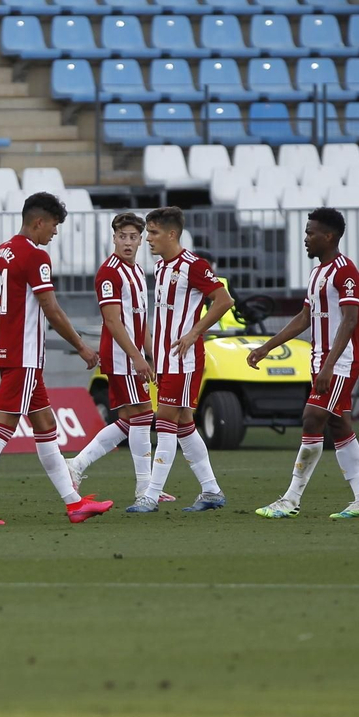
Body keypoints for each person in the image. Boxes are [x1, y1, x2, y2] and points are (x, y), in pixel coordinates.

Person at [0, 192, 113, 526]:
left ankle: (74, 504)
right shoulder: (35, 255)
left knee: (46, 426)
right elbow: (50, 308)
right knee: (2, 427)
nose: (55, 232)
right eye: (53, 225)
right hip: (24, 357)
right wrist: (81, 346)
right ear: (39, 222)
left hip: (12, 356)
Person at [250, 208, 359, 520]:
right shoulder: (317, 273)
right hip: (320, 360)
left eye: (311, 233)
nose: (305, 238)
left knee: (312, 418)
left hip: (340, 362)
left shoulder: (346, 272)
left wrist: (329, 366)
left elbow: (350, 320)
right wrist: (267, 346)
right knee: (339, 424)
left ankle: (291, 499)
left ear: (328, 236)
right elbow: (304, 317)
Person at [126, 207, 234, 514]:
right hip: (165, 359)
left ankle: (150, 495)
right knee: (184, 424)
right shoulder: (161, 267)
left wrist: (194, 332)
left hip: (183, 360)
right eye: (148, 232)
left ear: (172, 234)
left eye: (154, 232)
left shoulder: (193, 265)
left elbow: (224, 300)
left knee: (165, 421)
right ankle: (211, 490)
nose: (148, 239)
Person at [65, 212, 163, 500]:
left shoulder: (137, 271)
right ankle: (145, 488)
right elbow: (112, 321)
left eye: (133, 237)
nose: (127, 243)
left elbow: (140, 319)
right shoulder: (109, 273)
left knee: (129, 420)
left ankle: (76, 465)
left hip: (132, 356)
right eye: (122, 237)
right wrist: (136, 357)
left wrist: (152, 353)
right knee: (143, 415)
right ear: (114, 239)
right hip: (121, 357)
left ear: (141, 240)